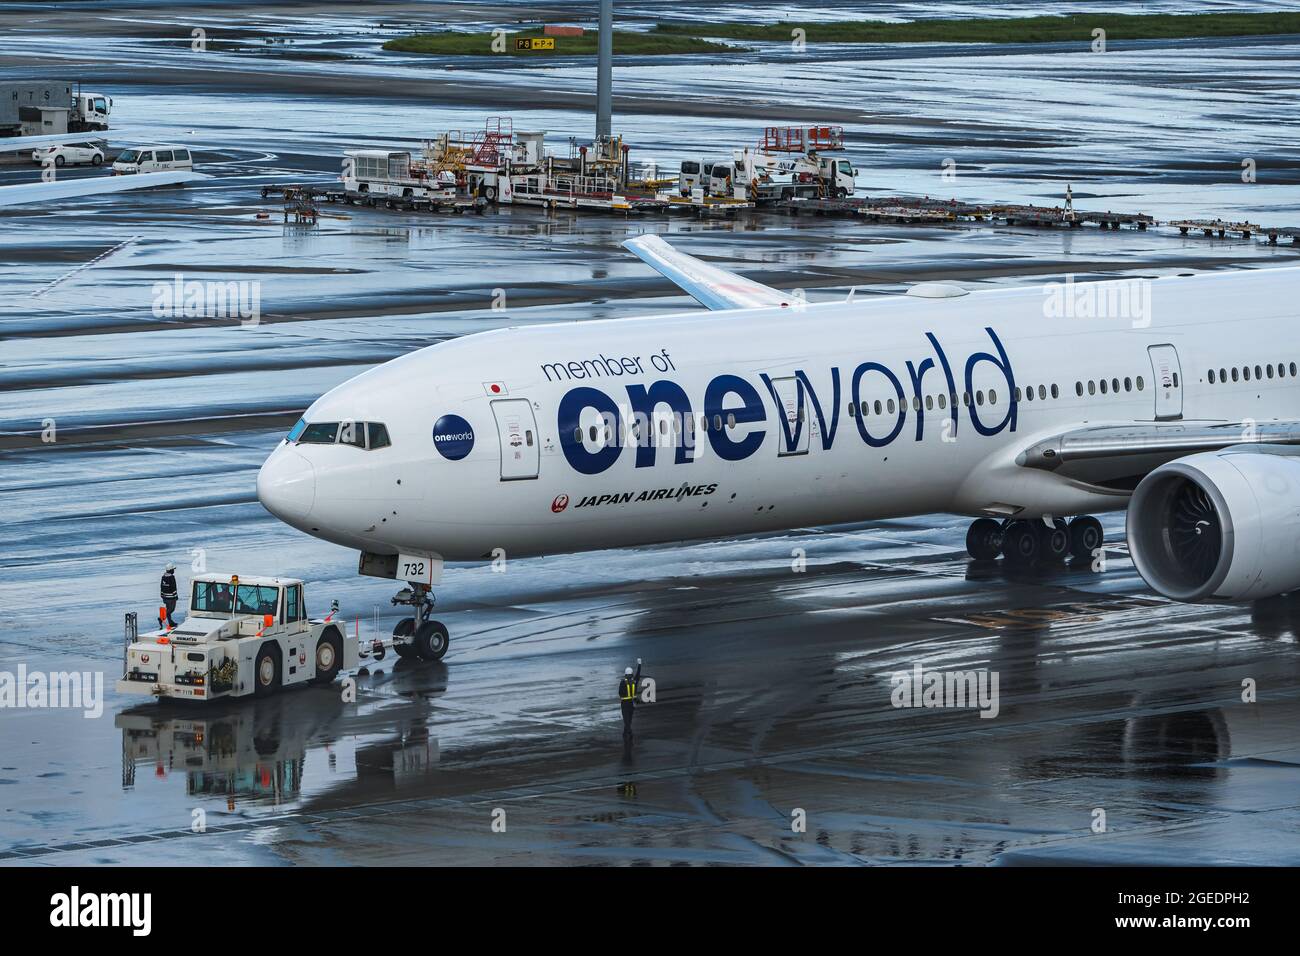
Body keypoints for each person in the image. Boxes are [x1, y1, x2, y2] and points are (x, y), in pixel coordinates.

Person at [619, 658, 642, 745]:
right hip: (631, 704)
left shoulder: (622, 682)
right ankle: (626, 734)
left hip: (624, 704)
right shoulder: (634, 681)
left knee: (627, 721)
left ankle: (628, 734)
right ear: (632, 674)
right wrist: (639, 664)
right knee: (629, 720)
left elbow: (620, 693)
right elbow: (638, 674)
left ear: (625, 674)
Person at [160, 563, 179, 628]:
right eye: (173, 569)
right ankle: (161, 618)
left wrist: (162, 595)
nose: (174, 571)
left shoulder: (163, 577)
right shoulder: (171, 577)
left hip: (165, 597)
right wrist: (176, 596)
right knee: (171, 610)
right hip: (171, 597)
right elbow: (174, 587)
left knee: (168, 609)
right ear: (170, 570)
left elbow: (161, 586)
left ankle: (171, 622)